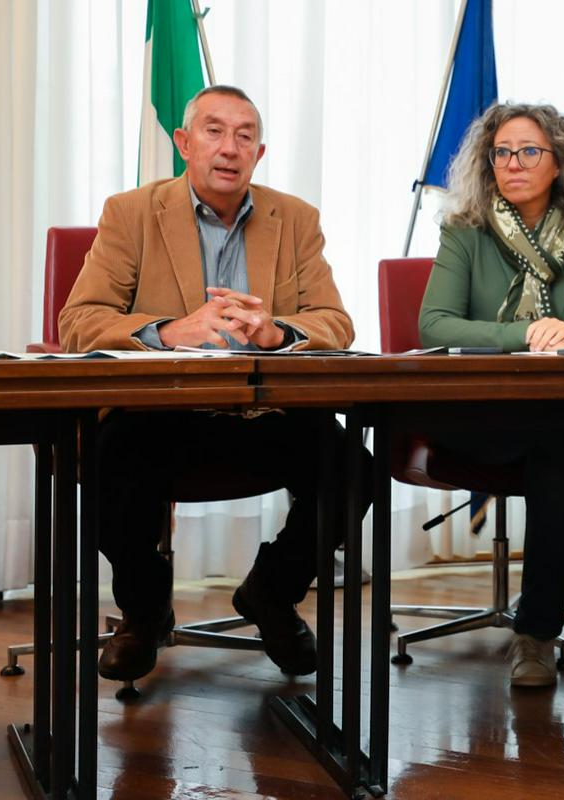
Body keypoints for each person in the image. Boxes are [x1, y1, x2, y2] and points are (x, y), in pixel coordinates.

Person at [59, 85, 364, 682]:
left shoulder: (295, 219)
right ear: (183, 142)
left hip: (265, 414)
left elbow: (336, 321)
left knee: (354, 468)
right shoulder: (131, 213)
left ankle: (271, 593)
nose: (230, 148)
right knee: (107, 461)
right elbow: (79, 321)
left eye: (245, 136)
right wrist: (169, 331)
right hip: (160, 416)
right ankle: (143, 611)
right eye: (214, 131)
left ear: (259, 152)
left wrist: (278, 332)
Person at [418, 102, 564, 687]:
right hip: (477, 417)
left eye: (529, 151)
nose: (513, 163)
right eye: (501, 152)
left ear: (559, 163)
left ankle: (536, 636)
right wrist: (524, 334)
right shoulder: (465, 230)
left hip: (562, 425)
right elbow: (434, 326)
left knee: (562, 453)